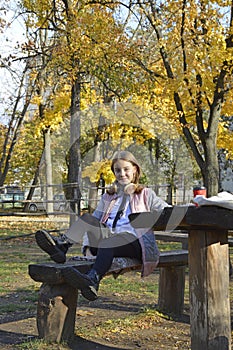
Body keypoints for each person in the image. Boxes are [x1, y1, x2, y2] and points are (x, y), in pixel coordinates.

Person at [35, 150, 170, 301]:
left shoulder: (145, 193)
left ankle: (93, 279)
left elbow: (167, 209)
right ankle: (62, 246)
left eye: (126, 169)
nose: (122, 173)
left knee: (110, 241)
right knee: (87, 218)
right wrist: (88, 244)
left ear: (135, 170)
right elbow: (94, 221)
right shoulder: (108, 196)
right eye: (117, 170)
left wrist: (193, 205)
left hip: (135, 242)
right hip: (109, 240)